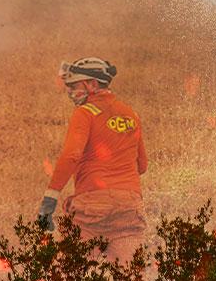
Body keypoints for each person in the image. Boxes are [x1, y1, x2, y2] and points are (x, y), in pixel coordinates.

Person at [38, 57, 147, 262]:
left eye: (74, 85)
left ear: (92, 84)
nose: (69, 91)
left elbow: (71, 156)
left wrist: (49, 199)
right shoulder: (131, 114)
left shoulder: (85, 113)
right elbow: (142, 165)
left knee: (75, 276)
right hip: (129, 208)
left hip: (93, 209)